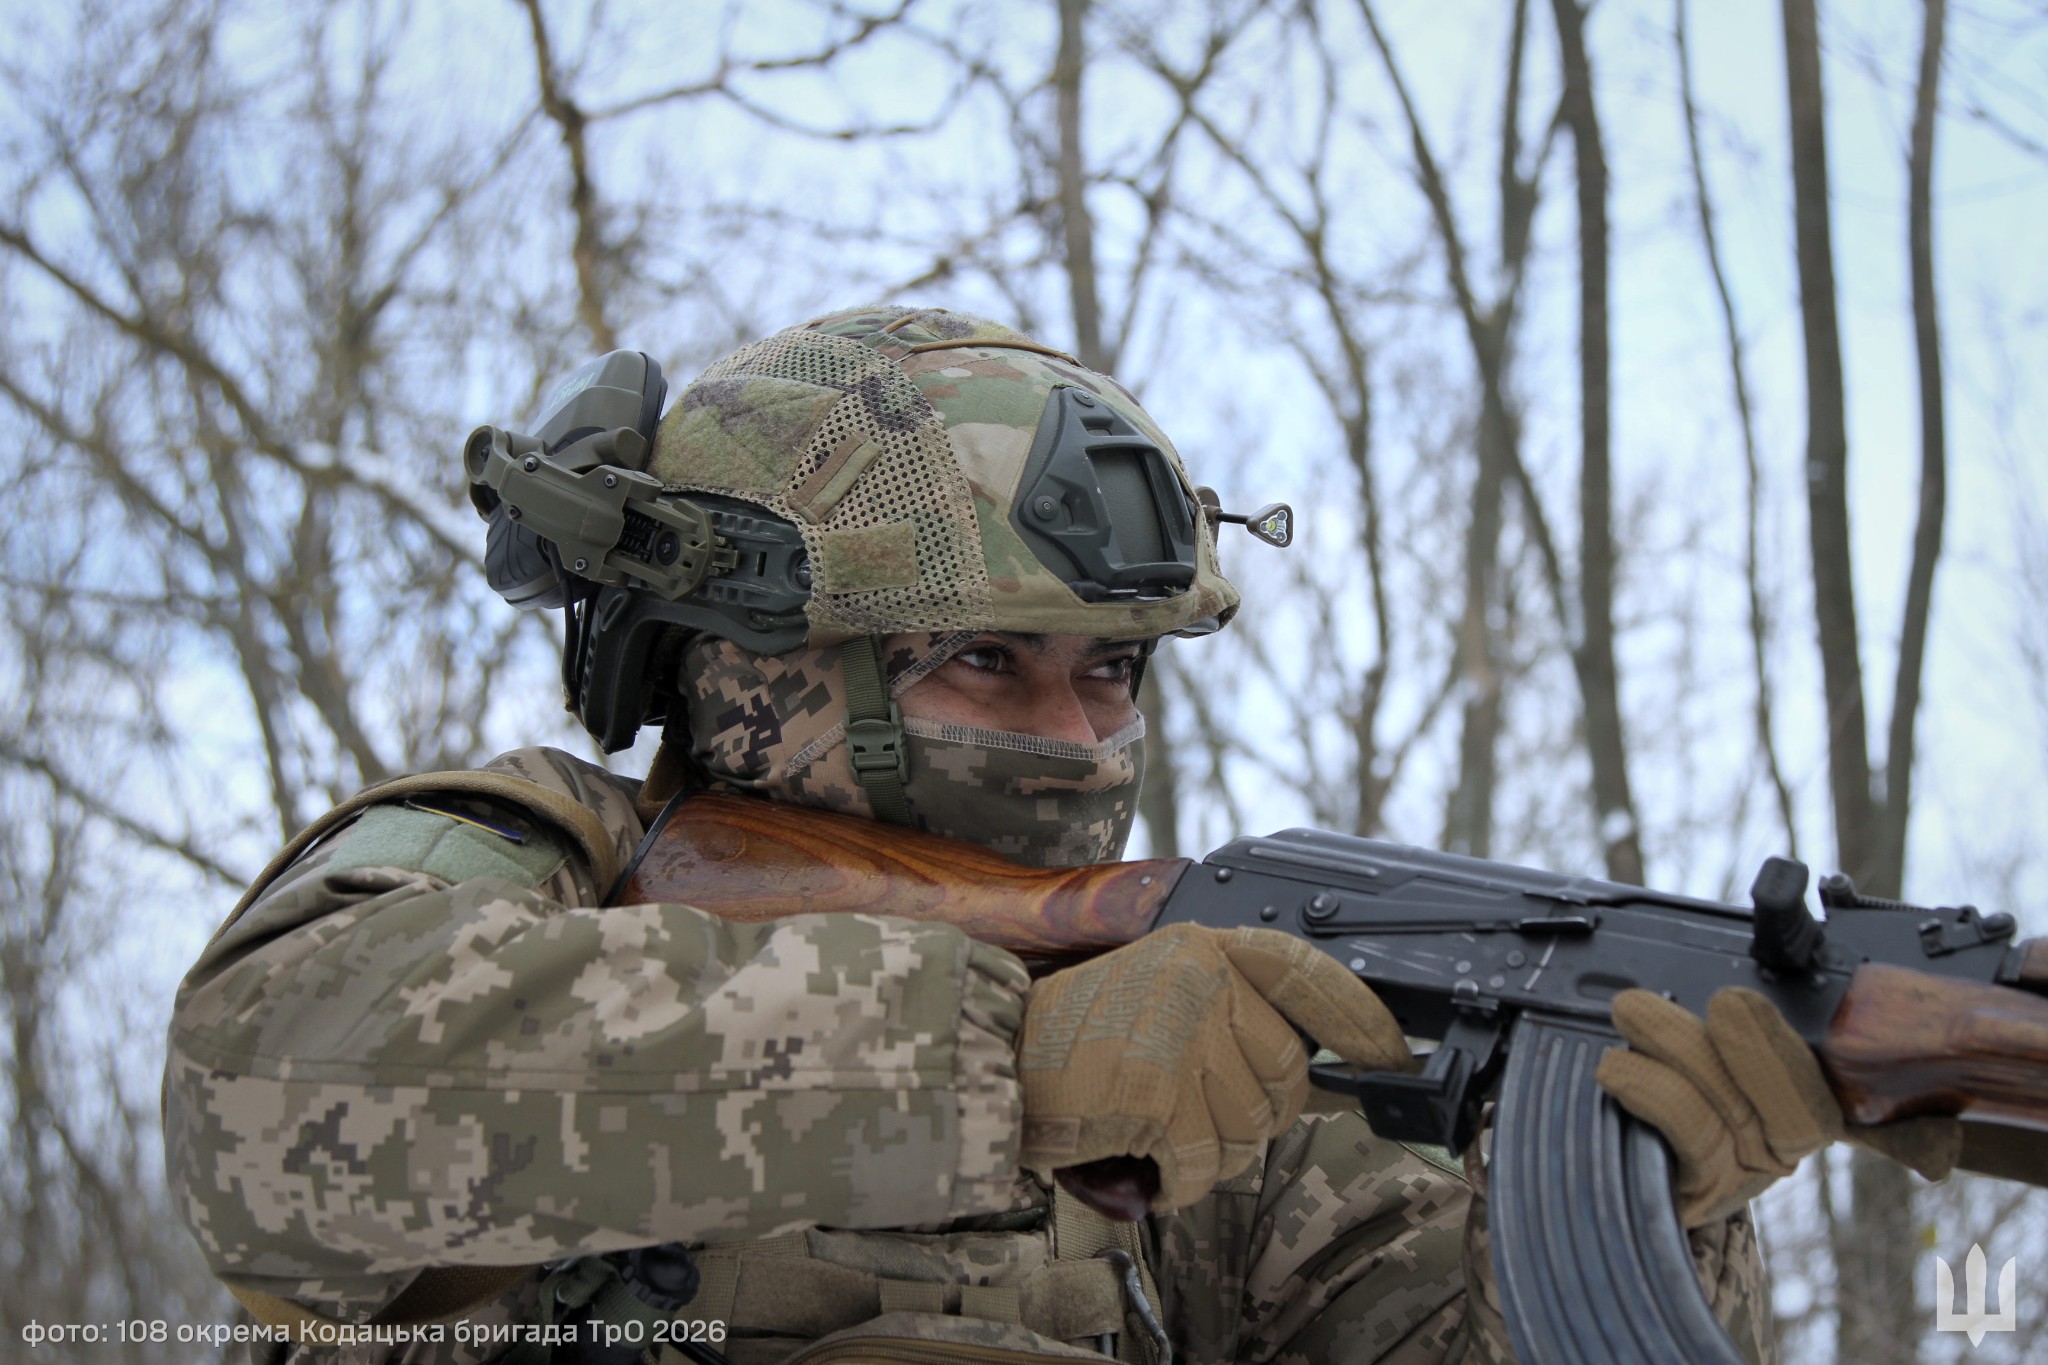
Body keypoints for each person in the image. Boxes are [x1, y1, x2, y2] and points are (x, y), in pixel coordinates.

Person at [165, 306, 1955, 1365]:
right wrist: (1004, 1065)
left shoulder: (1213, 1036)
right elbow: (261, 1096)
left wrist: (1663, 1198)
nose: (1076, 735)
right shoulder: (544, 852)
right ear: (751, 667)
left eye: (1111, 672)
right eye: (984, 663)